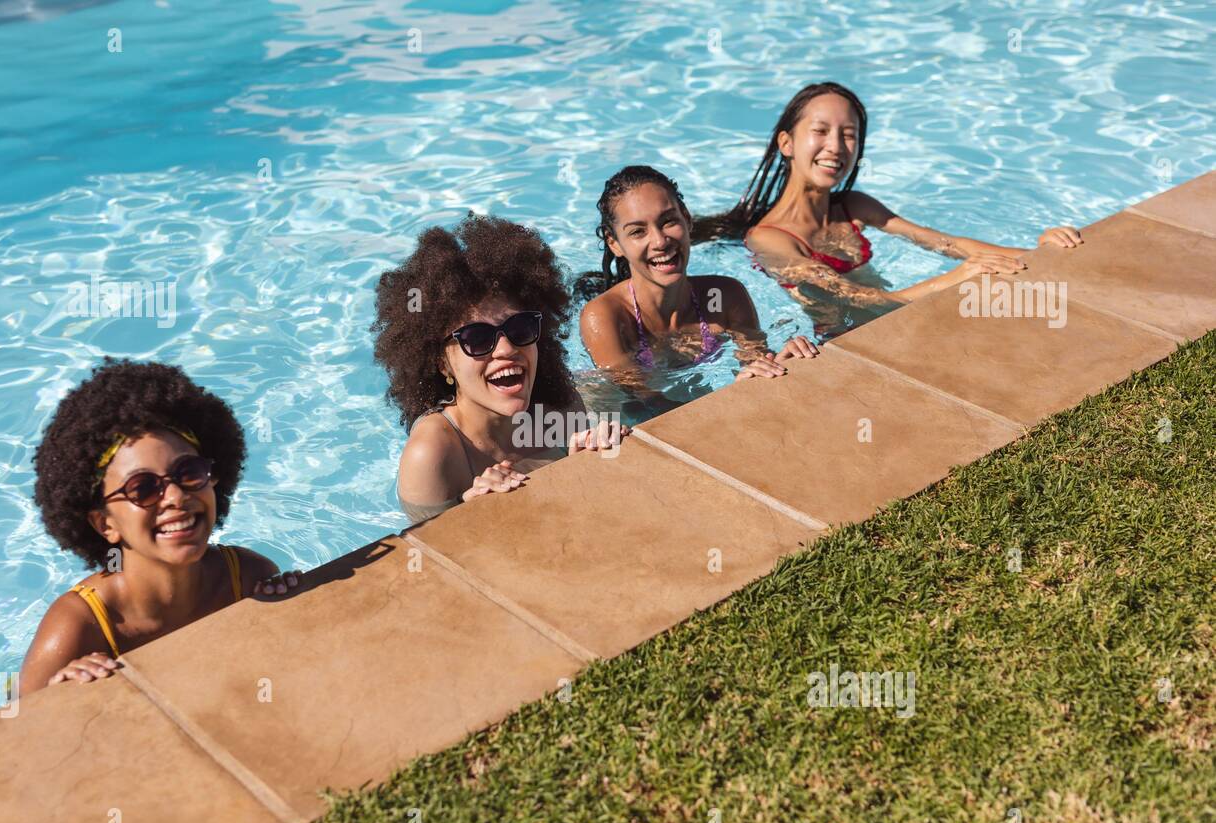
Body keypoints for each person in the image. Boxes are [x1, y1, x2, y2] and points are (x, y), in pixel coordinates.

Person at [693, 81, 1083, 337]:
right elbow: (849, 298)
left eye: (849, 135)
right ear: (787, 143)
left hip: (901, 322)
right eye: (821, 131)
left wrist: (1041, 250)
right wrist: (954, 280)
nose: (836, 147)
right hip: (849, 347)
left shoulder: (854, 207)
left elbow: (946, 243)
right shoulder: (769, 238)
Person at [19, 359, 299, 694]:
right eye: (143, 488)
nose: (176, 497)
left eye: (189, 472)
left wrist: (293, 612)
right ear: (105, 523)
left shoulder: (248, 577)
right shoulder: (78, 627)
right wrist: (57, 690)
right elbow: (9, 728)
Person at [374, 213, 626, 525]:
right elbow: (432, 564)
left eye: (520, 328)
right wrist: (472, 512)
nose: (506, 349)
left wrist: (588, 462)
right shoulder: (433, 454)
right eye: (477, 339)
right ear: (440, 362)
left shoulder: (558, 406)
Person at [578, 165, 817, 393]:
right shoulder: (606, 317)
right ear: (614, 243)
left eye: (669, 221)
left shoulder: (722, 297)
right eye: (638, 231)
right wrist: (731, 397)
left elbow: (756, 361)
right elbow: (643, 404)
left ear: (687, 218)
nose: (660, 242)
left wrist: (777, 367)